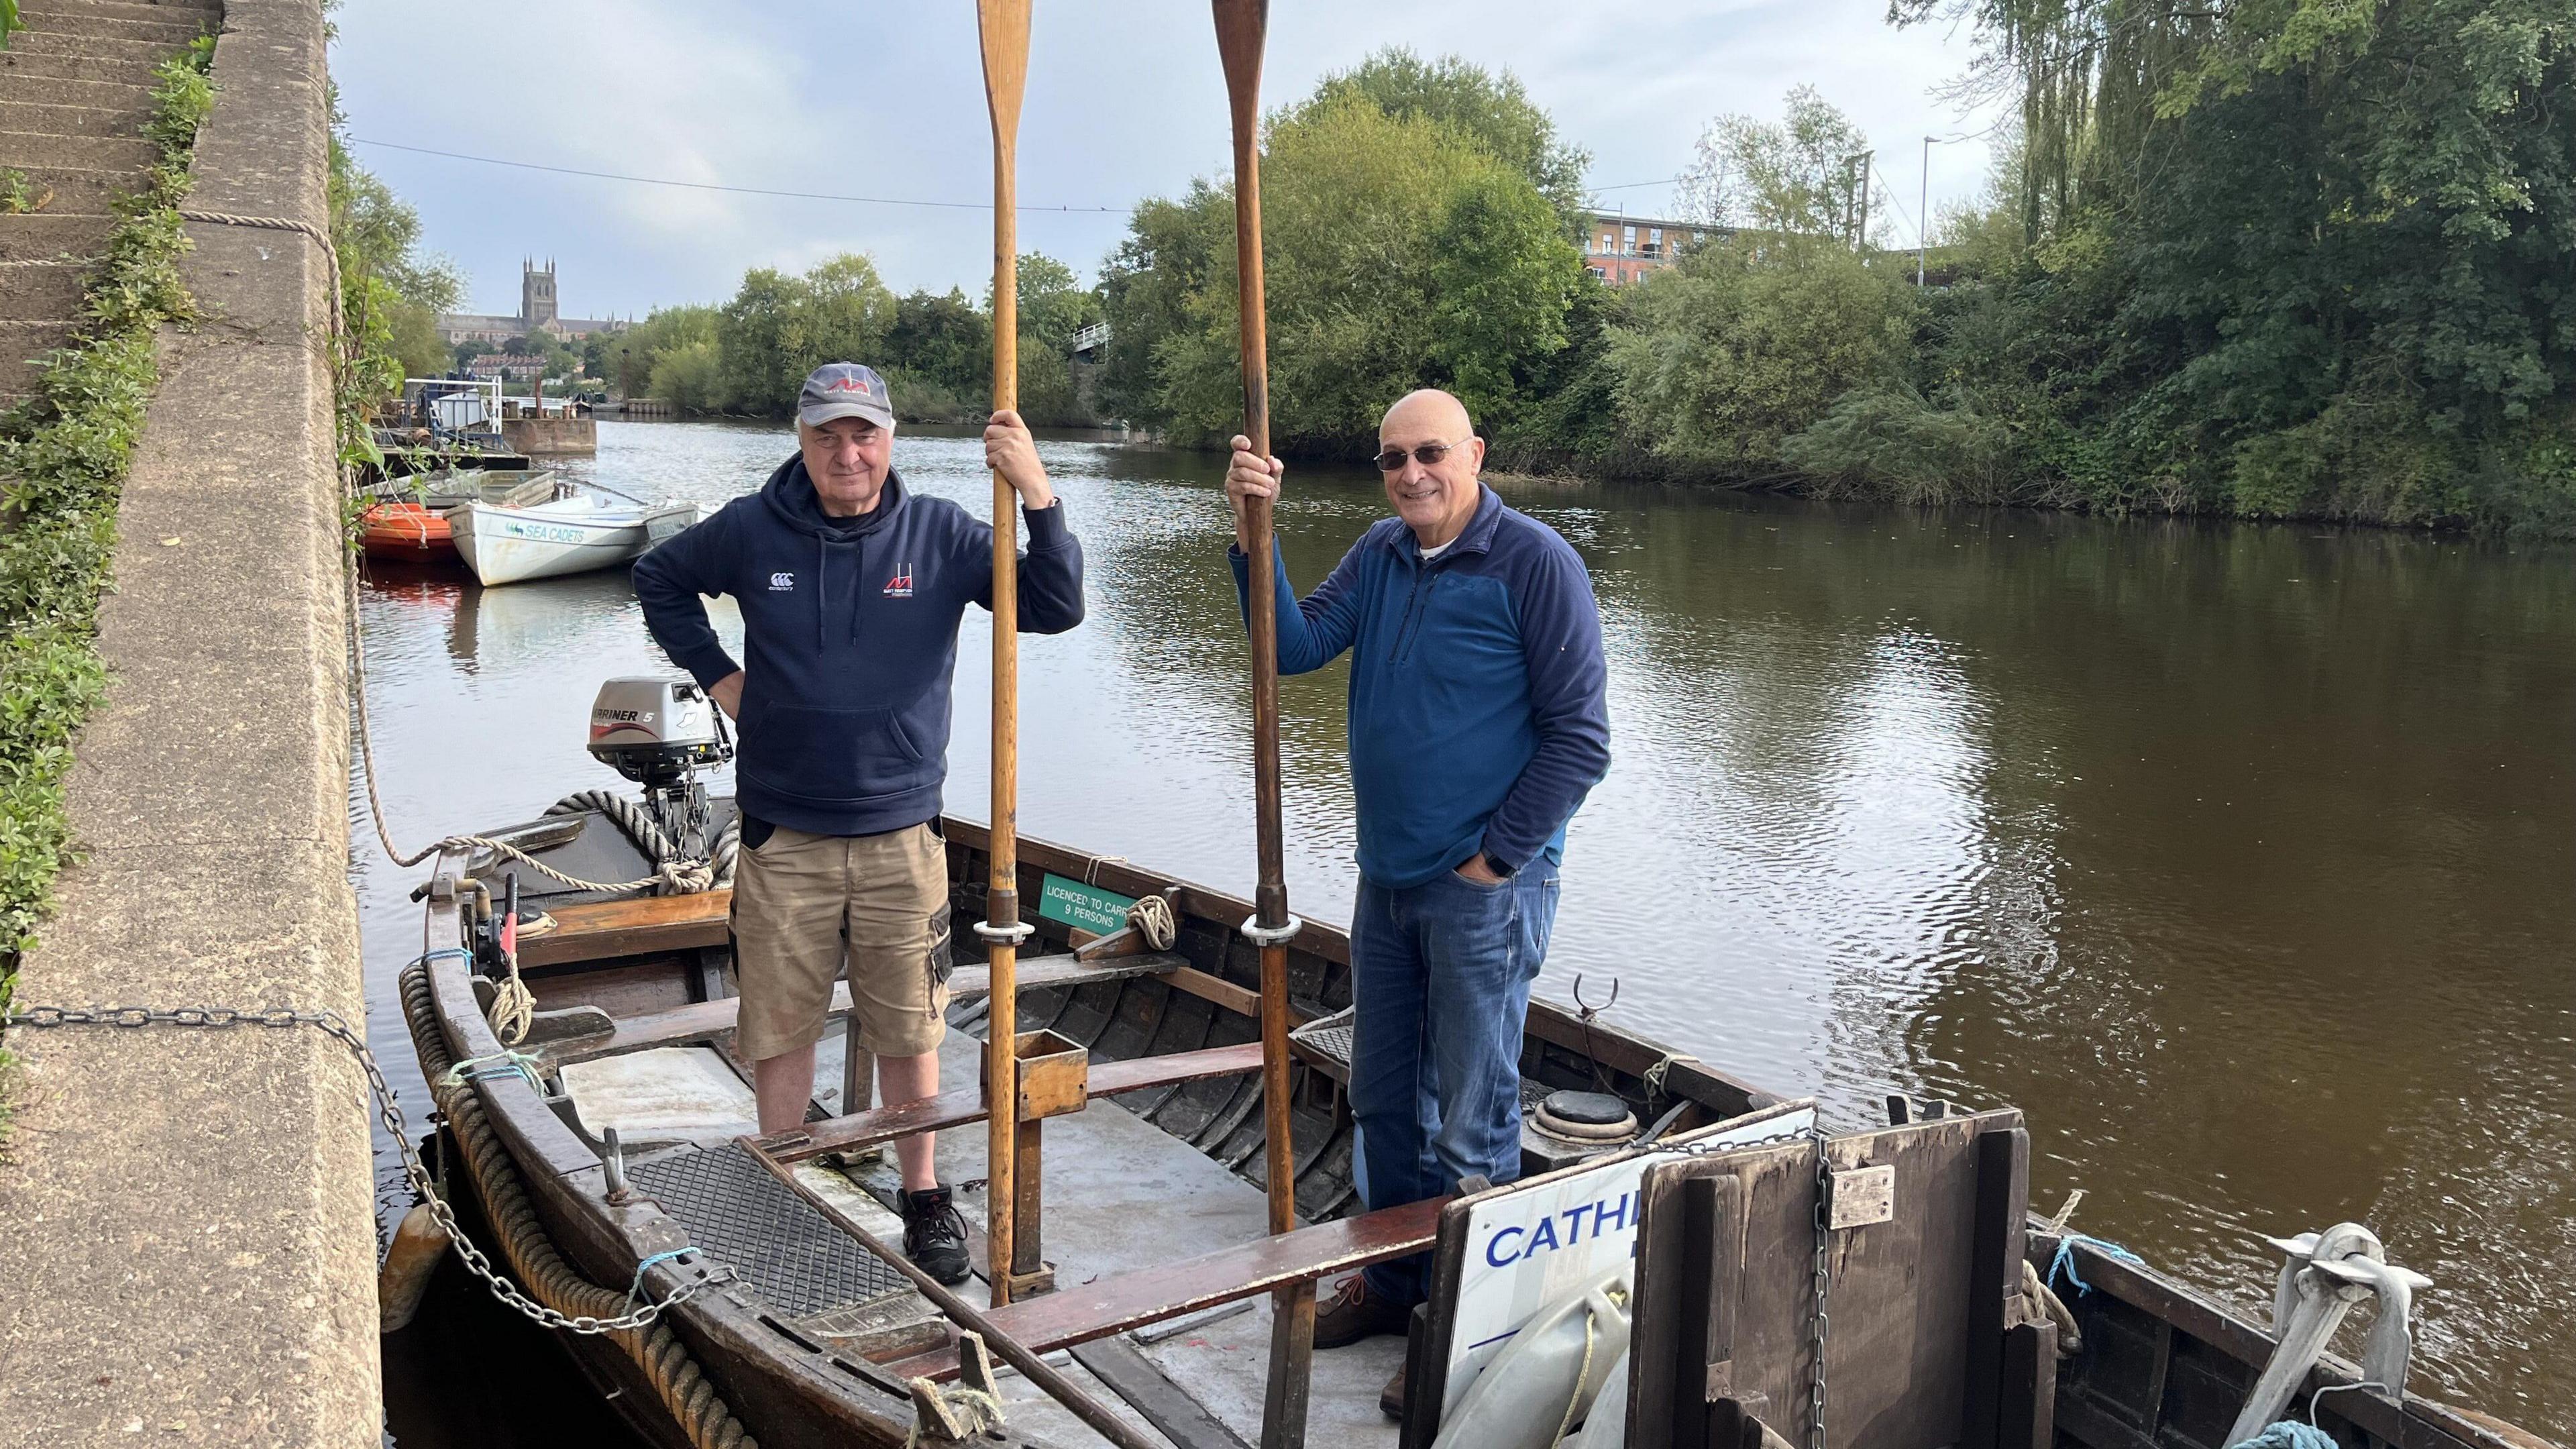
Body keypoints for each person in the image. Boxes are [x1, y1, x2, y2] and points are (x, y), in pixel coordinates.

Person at [635, 362, 1083, 1285]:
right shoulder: (752, 528)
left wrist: (1036, 488)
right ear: (802, 439)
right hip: (782, 832)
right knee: (780, 1019)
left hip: (902, 834)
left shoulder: (948, 534)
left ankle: (922, 1195)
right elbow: (659, 576)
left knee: (911, 1025)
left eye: (864, 434)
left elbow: (1056, 606)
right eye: (829, 434)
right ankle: (785, 1181)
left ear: (891, 439)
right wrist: (720, 677)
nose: (848, 452)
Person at [1223, 388, 1610, 1415]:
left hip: (1485, 890)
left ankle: (1459, 1329)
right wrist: (1252, 532)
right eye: (1391, 459)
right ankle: (1394, 1284)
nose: (1409, 475)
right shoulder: (1383, 552)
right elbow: (1296, 648)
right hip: (1386, 880)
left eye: (1429, 454)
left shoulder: (1537, 564)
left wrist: (1495, 860)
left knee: (1473, 1122)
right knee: (1388, 1098)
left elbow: (1582, 739)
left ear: (1475, 452)